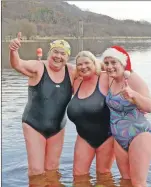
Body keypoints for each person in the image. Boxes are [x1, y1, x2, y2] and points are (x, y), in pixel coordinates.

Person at [9, 32, 75, 176]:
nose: (58, 56)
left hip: (58, 127)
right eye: (55, 52)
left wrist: (121, 70)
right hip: (34, 125)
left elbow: (94, 71)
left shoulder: (72, 71)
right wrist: (13, 50)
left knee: (53, 169)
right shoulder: (38, 67)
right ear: (49, 53)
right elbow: (18, 64)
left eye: (63, 53)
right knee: (36, 171)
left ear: (67, 57)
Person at [102, 45, 151, 187]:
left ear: (122, 63)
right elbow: (89, 67)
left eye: (114, 62)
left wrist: (134, 96)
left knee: (138, 185)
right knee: (125, 181)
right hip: (119, 137)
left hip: (138, 134)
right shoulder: (110, 78)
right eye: (106, 63)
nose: (110, 67)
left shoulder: (132, 78)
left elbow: (149, 106)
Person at [67, 51, 114, 176]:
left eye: (87, 63)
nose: (83, 67)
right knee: (78, 175)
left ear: (95, 63)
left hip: (107, 137)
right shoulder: (76, 82)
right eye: (79, 64)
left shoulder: (105, 78)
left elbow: (122, 74)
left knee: (103, 175)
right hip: (83, 137)